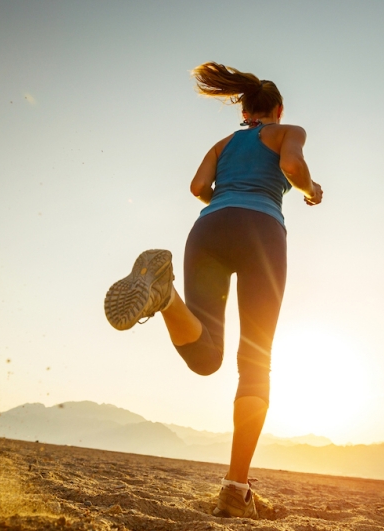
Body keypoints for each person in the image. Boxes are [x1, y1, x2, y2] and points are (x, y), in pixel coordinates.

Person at [103, 62, 322, 519]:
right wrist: (310, 189)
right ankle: (235, 488)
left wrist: (224, 202)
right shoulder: (287, 131)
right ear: (278, 109)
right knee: (254, 362)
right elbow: (293, 165)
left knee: (206, 357)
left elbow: (199, 187)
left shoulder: (223, 144)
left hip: (207, 230)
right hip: (261, 229)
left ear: (244, 111)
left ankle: (165, 297)